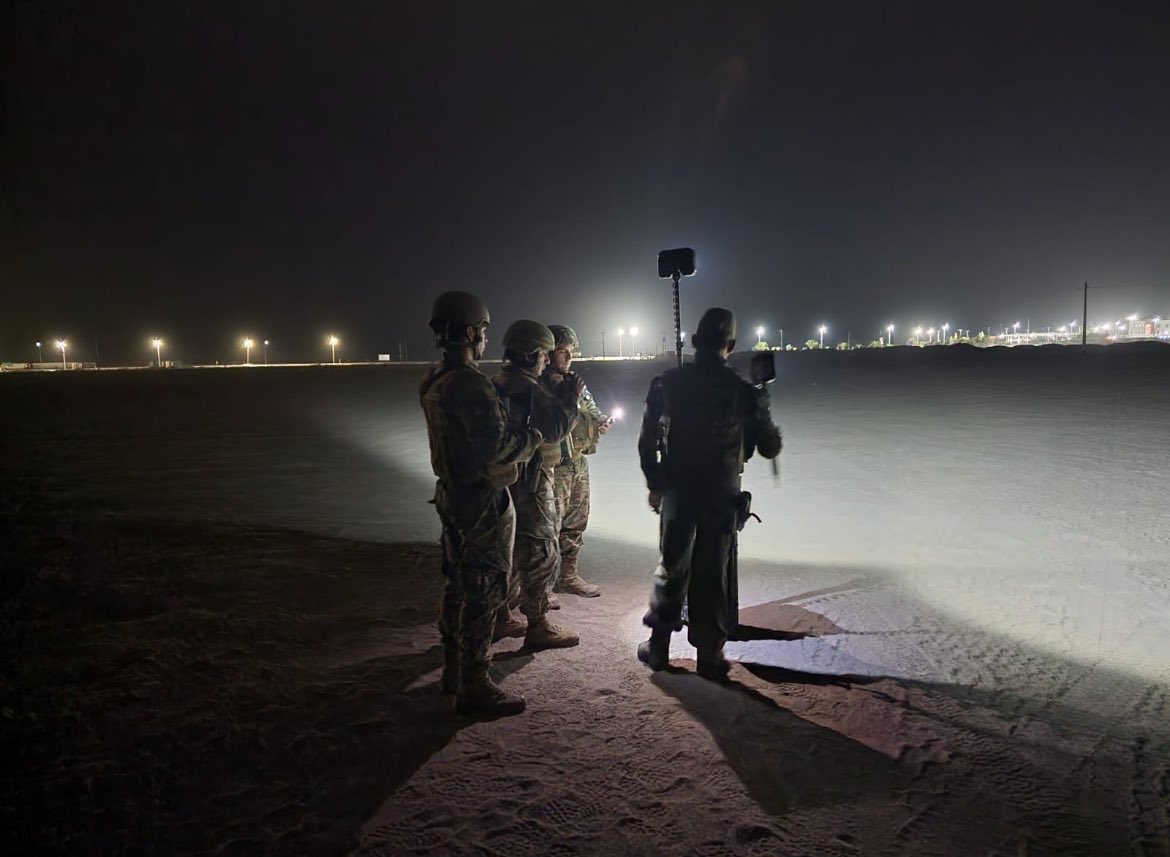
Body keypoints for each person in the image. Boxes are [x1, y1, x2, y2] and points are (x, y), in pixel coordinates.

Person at [635, 307, 782, 680]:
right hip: (720, 495)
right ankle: (710, 657)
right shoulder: (742, 392)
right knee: (712, 571)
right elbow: (768, 448)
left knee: (672, 566)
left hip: (679, 492)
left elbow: (647, 440)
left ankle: (659, 648)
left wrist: (656, 482)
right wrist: (764, 414)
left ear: (696, 342)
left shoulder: (666, 383)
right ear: (730, 346)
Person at [419, 291, 542, 716]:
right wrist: (532, 440)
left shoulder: (434, 378)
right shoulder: (471, 382)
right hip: (481, 501)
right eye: (484, 330)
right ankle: (475, 684)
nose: (487, 337)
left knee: (457, 584)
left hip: (451, 495)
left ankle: (453, 670)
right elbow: (498, 447)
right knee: (485, 590)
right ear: (471, 332)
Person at [492, 320, 584, 649]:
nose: (547, 360)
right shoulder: (529, 388)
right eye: (544, 354)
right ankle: (538, 625)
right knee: (541, 548)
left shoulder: (496, 383)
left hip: (502, 484)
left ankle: (499, 617)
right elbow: (555, 430)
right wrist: (570, 399)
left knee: (506, 551)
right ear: (533, 355)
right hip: (529, 479)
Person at [544, 324, 614, 598]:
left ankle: (569, 575)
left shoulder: (574, 383)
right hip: (553, 467)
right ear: (548, 353)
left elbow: (590, 409)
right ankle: (543, 587)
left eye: (571, 352)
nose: (568, 358)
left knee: (576, 522)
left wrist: (600, 423)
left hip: (577, 462)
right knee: (549, 526)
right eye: (562, 352)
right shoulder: (541, 385)